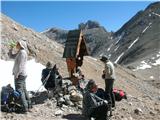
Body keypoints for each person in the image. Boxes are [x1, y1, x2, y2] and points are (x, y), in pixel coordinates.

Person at [9, 40, 31, 113]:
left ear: (21, 45)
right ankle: (29, 105)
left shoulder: (22, 53)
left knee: (19, 90)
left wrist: (17, 74)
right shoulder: (20, 51)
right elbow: (11, 56)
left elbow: (21, 65)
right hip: (23, 74)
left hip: (20, 74)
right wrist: (11, 49)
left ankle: (24, 108)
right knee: (24, 89)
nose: (16, 44)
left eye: (18, 44)